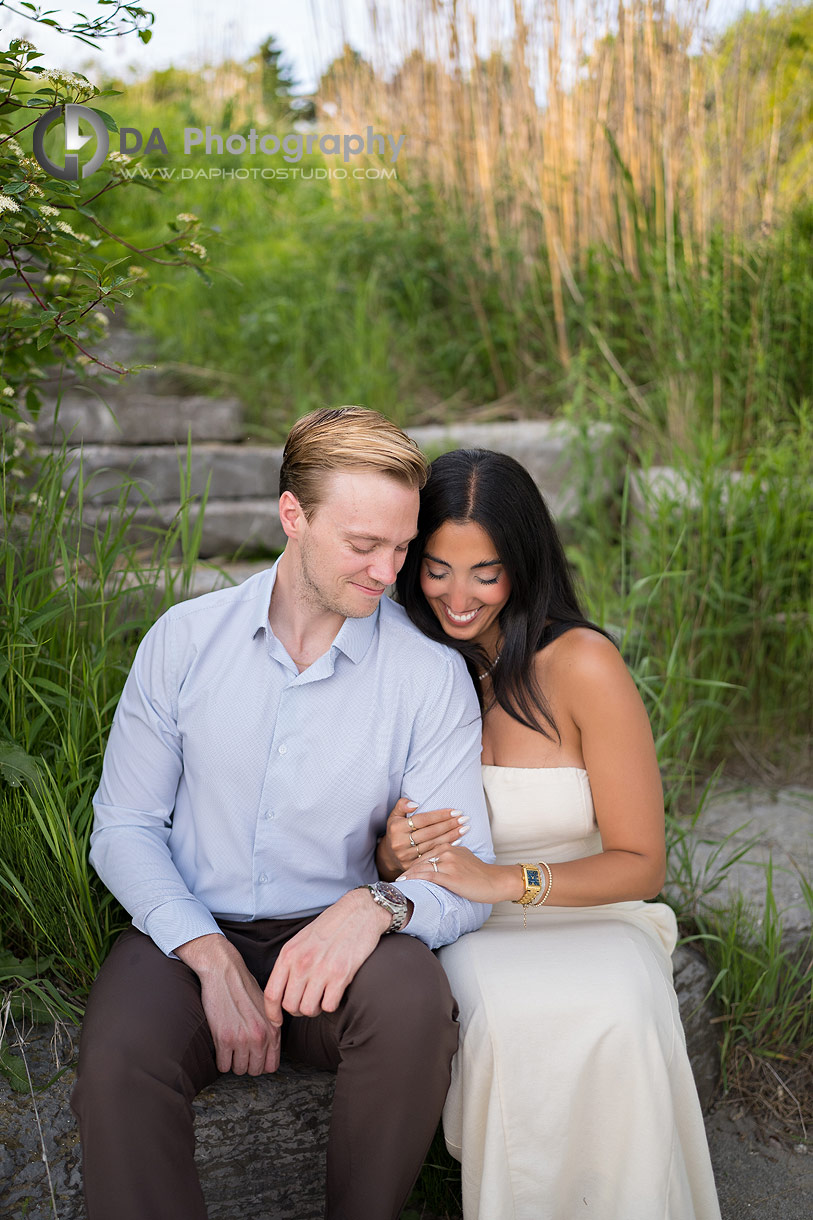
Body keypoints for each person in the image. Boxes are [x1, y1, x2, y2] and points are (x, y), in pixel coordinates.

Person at [71, 408, 496, 1220]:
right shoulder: (184, 641)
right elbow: (124, 824)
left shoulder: (426, 676)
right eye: (363, 545)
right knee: (119, 1058)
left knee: (413, 1004)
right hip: (187, 929)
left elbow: (464, 879)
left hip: (335, 950)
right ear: (292, 516)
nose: (387, 571)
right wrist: (204, 951)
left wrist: (375, 906)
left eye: (402, 548)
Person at [377, 448, 722, 1220]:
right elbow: (382, 834)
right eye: (436, 568)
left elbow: (642, 865)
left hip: (591, 912)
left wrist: (508, 880)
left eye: (485, 573)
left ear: (524, 566)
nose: (457, 597)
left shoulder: (582, 665)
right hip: (466, 926)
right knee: (500, 1022)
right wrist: (391, 852)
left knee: (617, 1013)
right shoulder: (410, 667)